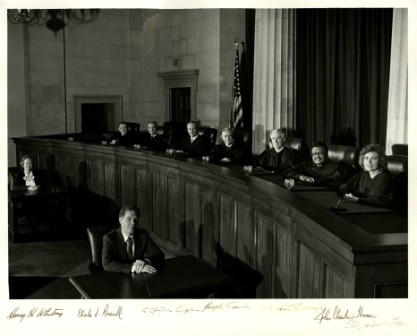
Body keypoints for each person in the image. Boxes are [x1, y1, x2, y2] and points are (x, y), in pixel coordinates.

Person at [102, 204, 165, 274]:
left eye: (135, 220)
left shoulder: (142, 235)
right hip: (118, 277)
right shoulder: (109, 238)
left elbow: (159, 254)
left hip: (138, 277)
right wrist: (132, 267)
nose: (133, 223)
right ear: (120, 220)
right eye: (129, 219)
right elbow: (107, 264)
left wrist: (146, 262)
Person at [285, 141, 352, 188]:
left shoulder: (337, 168)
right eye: (314, 153)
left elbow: (339, 183)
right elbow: (287, 171)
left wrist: (315, 181)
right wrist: (301, 176)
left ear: (326, 154)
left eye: (320, 153)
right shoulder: (307, 165)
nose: (317, 156)